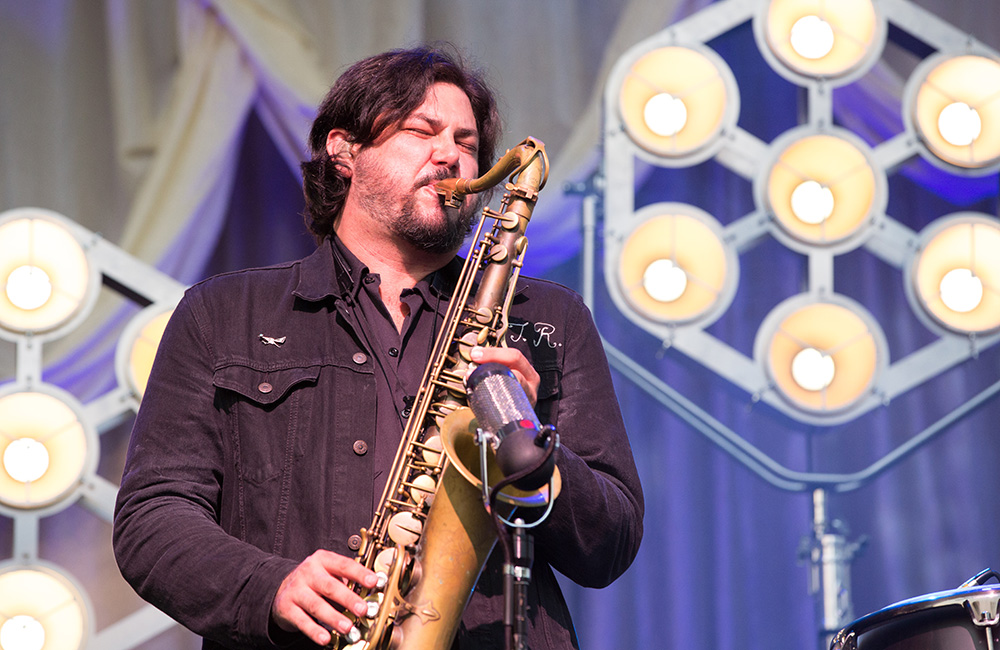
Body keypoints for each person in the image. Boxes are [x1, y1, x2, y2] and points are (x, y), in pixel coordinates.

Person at [113, 45, 643, 650]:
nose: (450, 154)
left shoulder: (547, 319)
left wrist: (529, 448)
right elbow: (151, 522)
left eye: (467, 143)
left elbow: (613, 541)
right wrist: (273, 586)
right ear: (343, 150)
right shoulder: (223, 313)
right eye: (423, 130)